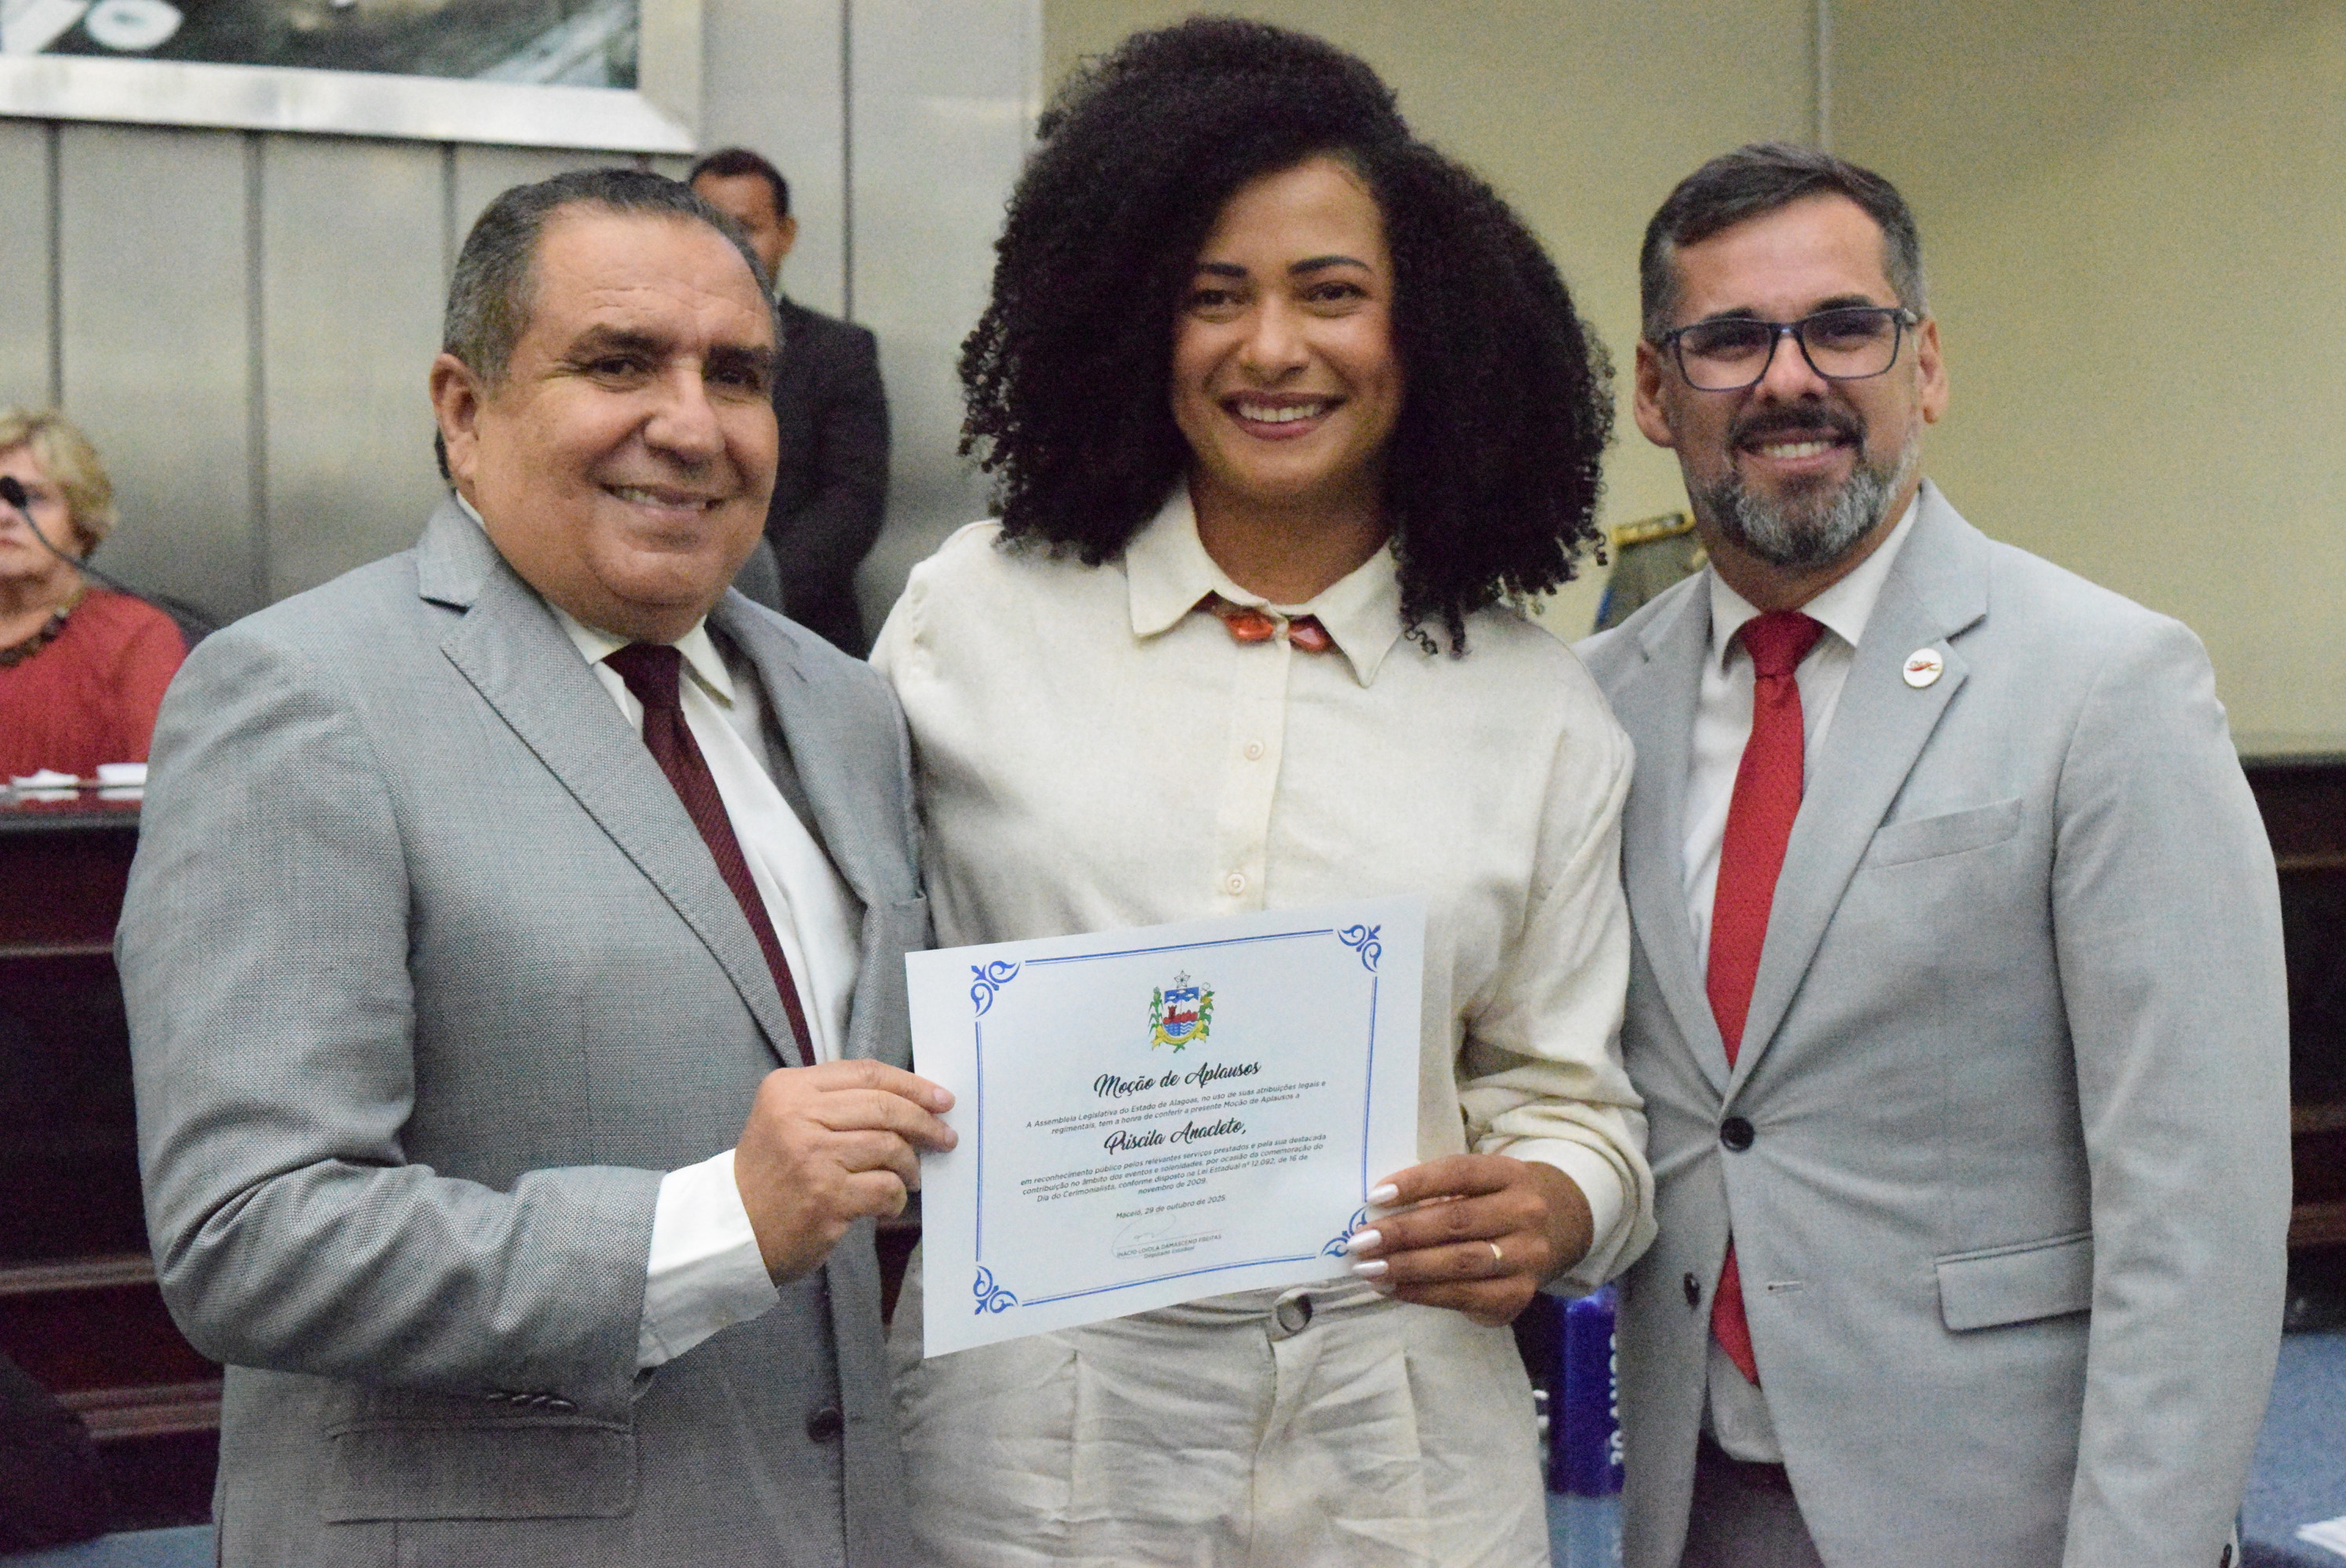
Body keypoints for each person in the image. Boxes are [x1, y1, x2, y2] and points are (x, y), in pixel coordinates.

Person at [871, 20, 1653, 1566]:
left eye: (1330, 294)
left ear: (1425, 331)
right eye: (1210, 295)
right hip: (1033, 1441)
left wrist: (1550, 1205)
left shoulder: (1535, 707)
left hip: (1400, 1454)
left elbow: (1580, 1108)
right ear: (1126, 319)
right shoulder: (969, 617)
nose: (1270, 349)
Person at [118, 169, 953, 1567]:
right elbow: (250, 1237)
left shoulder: (842, 707)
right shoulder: (299, 698)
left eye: (737, 376)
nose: (691, 426)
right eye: (618, 364)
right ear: (463, 408)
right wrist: (716, 1224)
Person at [1577, 142, 2290, 1568]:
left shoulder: (2108, 685)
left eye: (1844, 327)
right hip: (1677, 1501)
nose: (1790, 380)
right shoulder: (1590, 707)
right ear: (1654, 391)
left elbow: (2196, 1209)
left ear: (1928, 366)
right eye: (1729, 339)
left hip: (2000, 1516)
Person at [689, 147, 890, 655]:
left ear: (786, 234)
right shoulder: (651, 347)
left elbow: (852, 501)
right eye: (710, 227)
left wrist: (741, 600)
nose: (729, 247)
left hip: (804, 634)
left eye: (746, 228)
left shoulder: (839, 352)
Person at [0, 408, 183, 779]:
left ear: (81, 522)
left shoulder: (135, 637)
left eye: (32, 497)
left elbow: (161, 793)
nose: (4, 516)